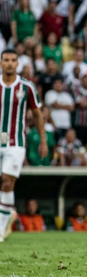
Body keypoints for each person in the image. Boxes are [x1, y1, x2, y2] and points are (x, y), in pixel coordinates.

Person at [0, 50, 47, 242]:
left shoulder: (27, 87)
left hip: (16, 144)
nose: (10, 63)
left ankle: (2, 229)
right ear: (1, 63)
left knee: (7, 181)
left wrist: (43, 140)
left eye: (13, 60)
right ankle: (8, 212)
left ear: (17, 63)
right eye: (6, 60)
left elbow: (37, 114)